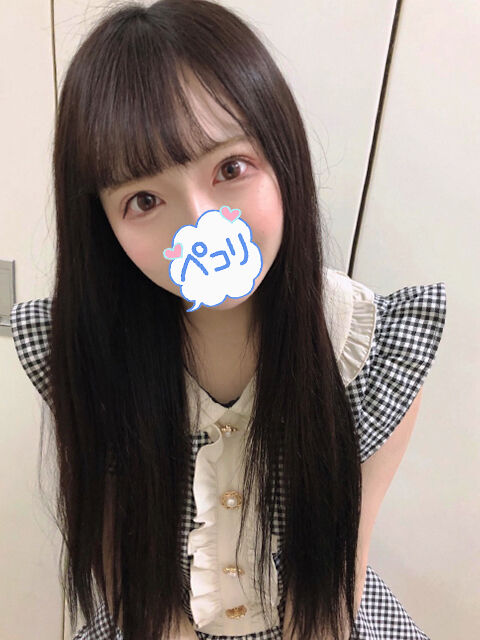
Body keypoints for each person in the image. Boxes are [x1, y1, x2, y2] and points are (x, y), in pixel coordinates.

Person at [9, 1, 447, 639]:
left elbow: (332, 592)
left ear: (283, 157)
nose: (201, 226)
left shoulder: (373, 354)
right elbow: (128, 579)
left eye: (231, 168)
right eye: (144, 199)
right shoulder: (87, 353)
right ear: (101, 225)